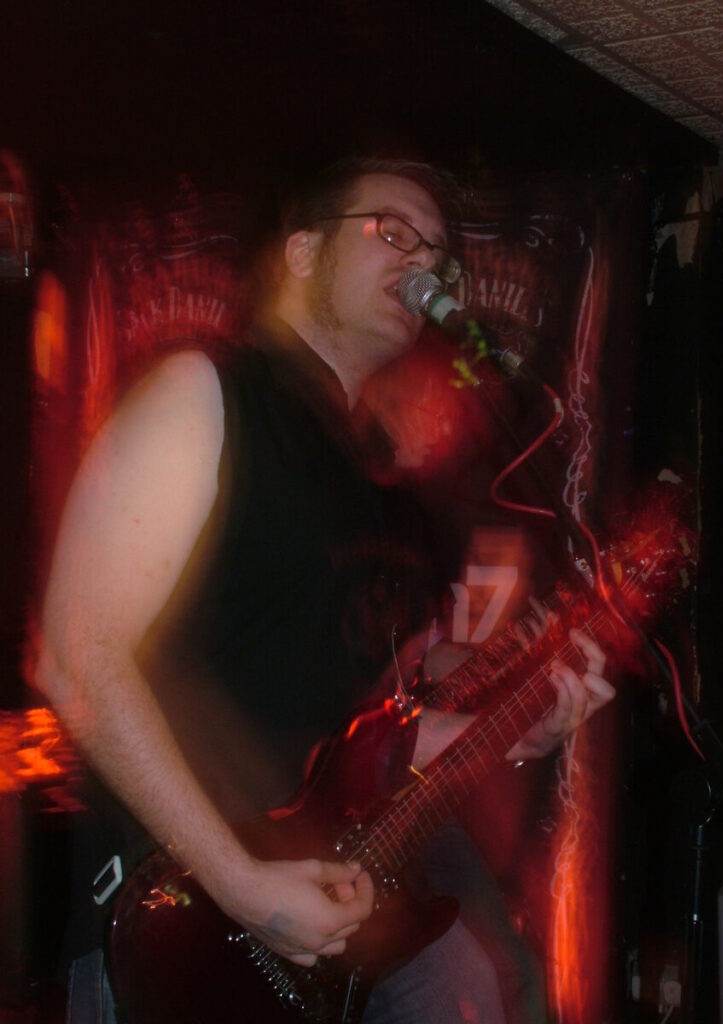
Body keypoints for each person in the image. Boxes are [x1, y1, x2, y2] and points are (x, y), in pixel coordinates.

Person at [36, 156, 615, 1023]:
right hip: (181, 925)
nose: (424, 266)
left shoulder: (381, 489)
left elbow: (387, 702)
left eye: (439, 255)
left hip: (322, 913)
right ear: (304, 251)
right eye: (393, 233)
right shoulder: (204, 393)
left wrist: (522, 715)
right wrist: (240, 883)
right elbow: (76, 655)